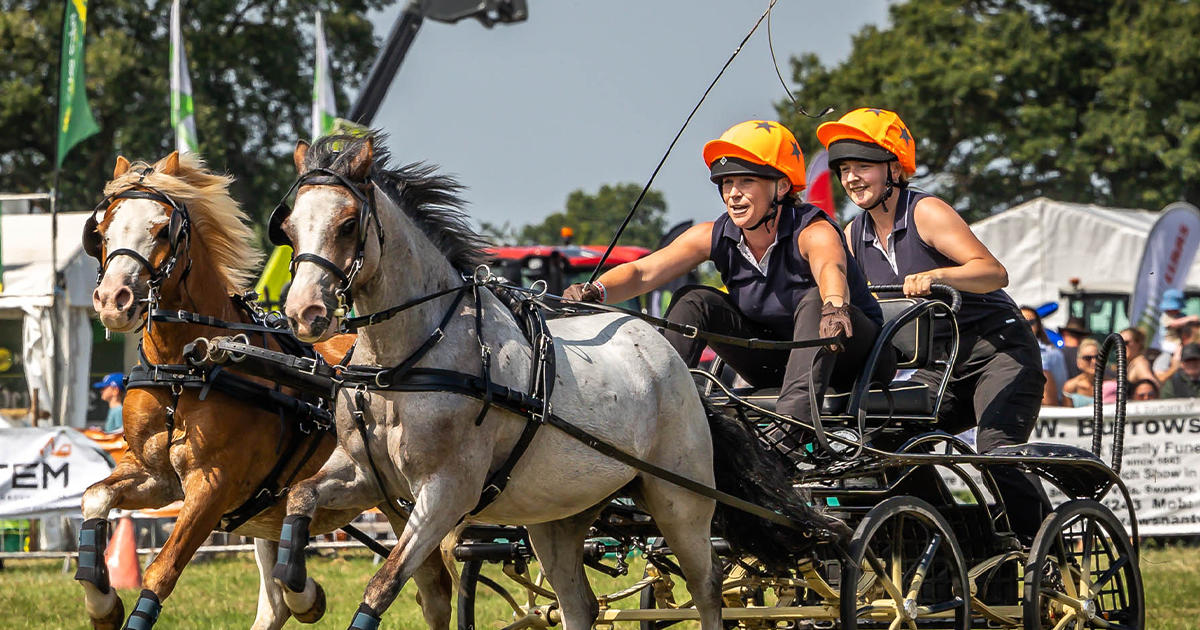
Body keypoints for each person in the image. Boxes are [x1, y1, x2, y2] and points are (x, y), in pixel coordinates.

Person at [563, 119, 895, 442]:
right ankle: (658, 413)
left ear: (781, 187)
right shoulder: (716, 235)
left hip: (854, 357)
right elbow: (643, 272)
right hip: (778, 360)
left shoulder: (812, 230)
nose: (733, 194)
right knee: (695, 299)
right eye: (726, 183)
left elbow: (830, 268)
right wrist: (596, 290)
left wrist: (835, 306)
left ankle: (789, 432)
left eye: (746, 182)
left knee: (815, 298)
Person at [818, 107, 1047, 538]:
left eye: (862, 166)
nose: (851, 178)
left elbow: (994, 272)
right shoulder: (852, 236)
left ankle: (1048, 555)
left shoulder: (925, 212)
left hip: (999, 353)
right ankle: (954, 538)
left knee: (996, 451)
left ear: (894, 169)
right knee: (888, 447)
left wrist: (939, 275)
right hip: (940, 367)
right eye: (844, 169)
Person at [1022, 307, 1067, 406]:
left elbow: (1061, 386)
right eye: (1022, 322)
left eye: (1031, 322)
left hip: (1047, 409)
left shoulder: (1053, 353)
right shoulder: (1004, 351)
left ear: (1038, 325)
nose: (1026, 326)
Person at [1062, 338, 1103, 406]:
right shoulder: (1070, 387)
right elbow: (1067, 412)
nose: (1094, 361)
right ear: (1079, 363)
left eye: (1098, 357)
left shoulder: (1112, 385)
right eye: (1088, 358)